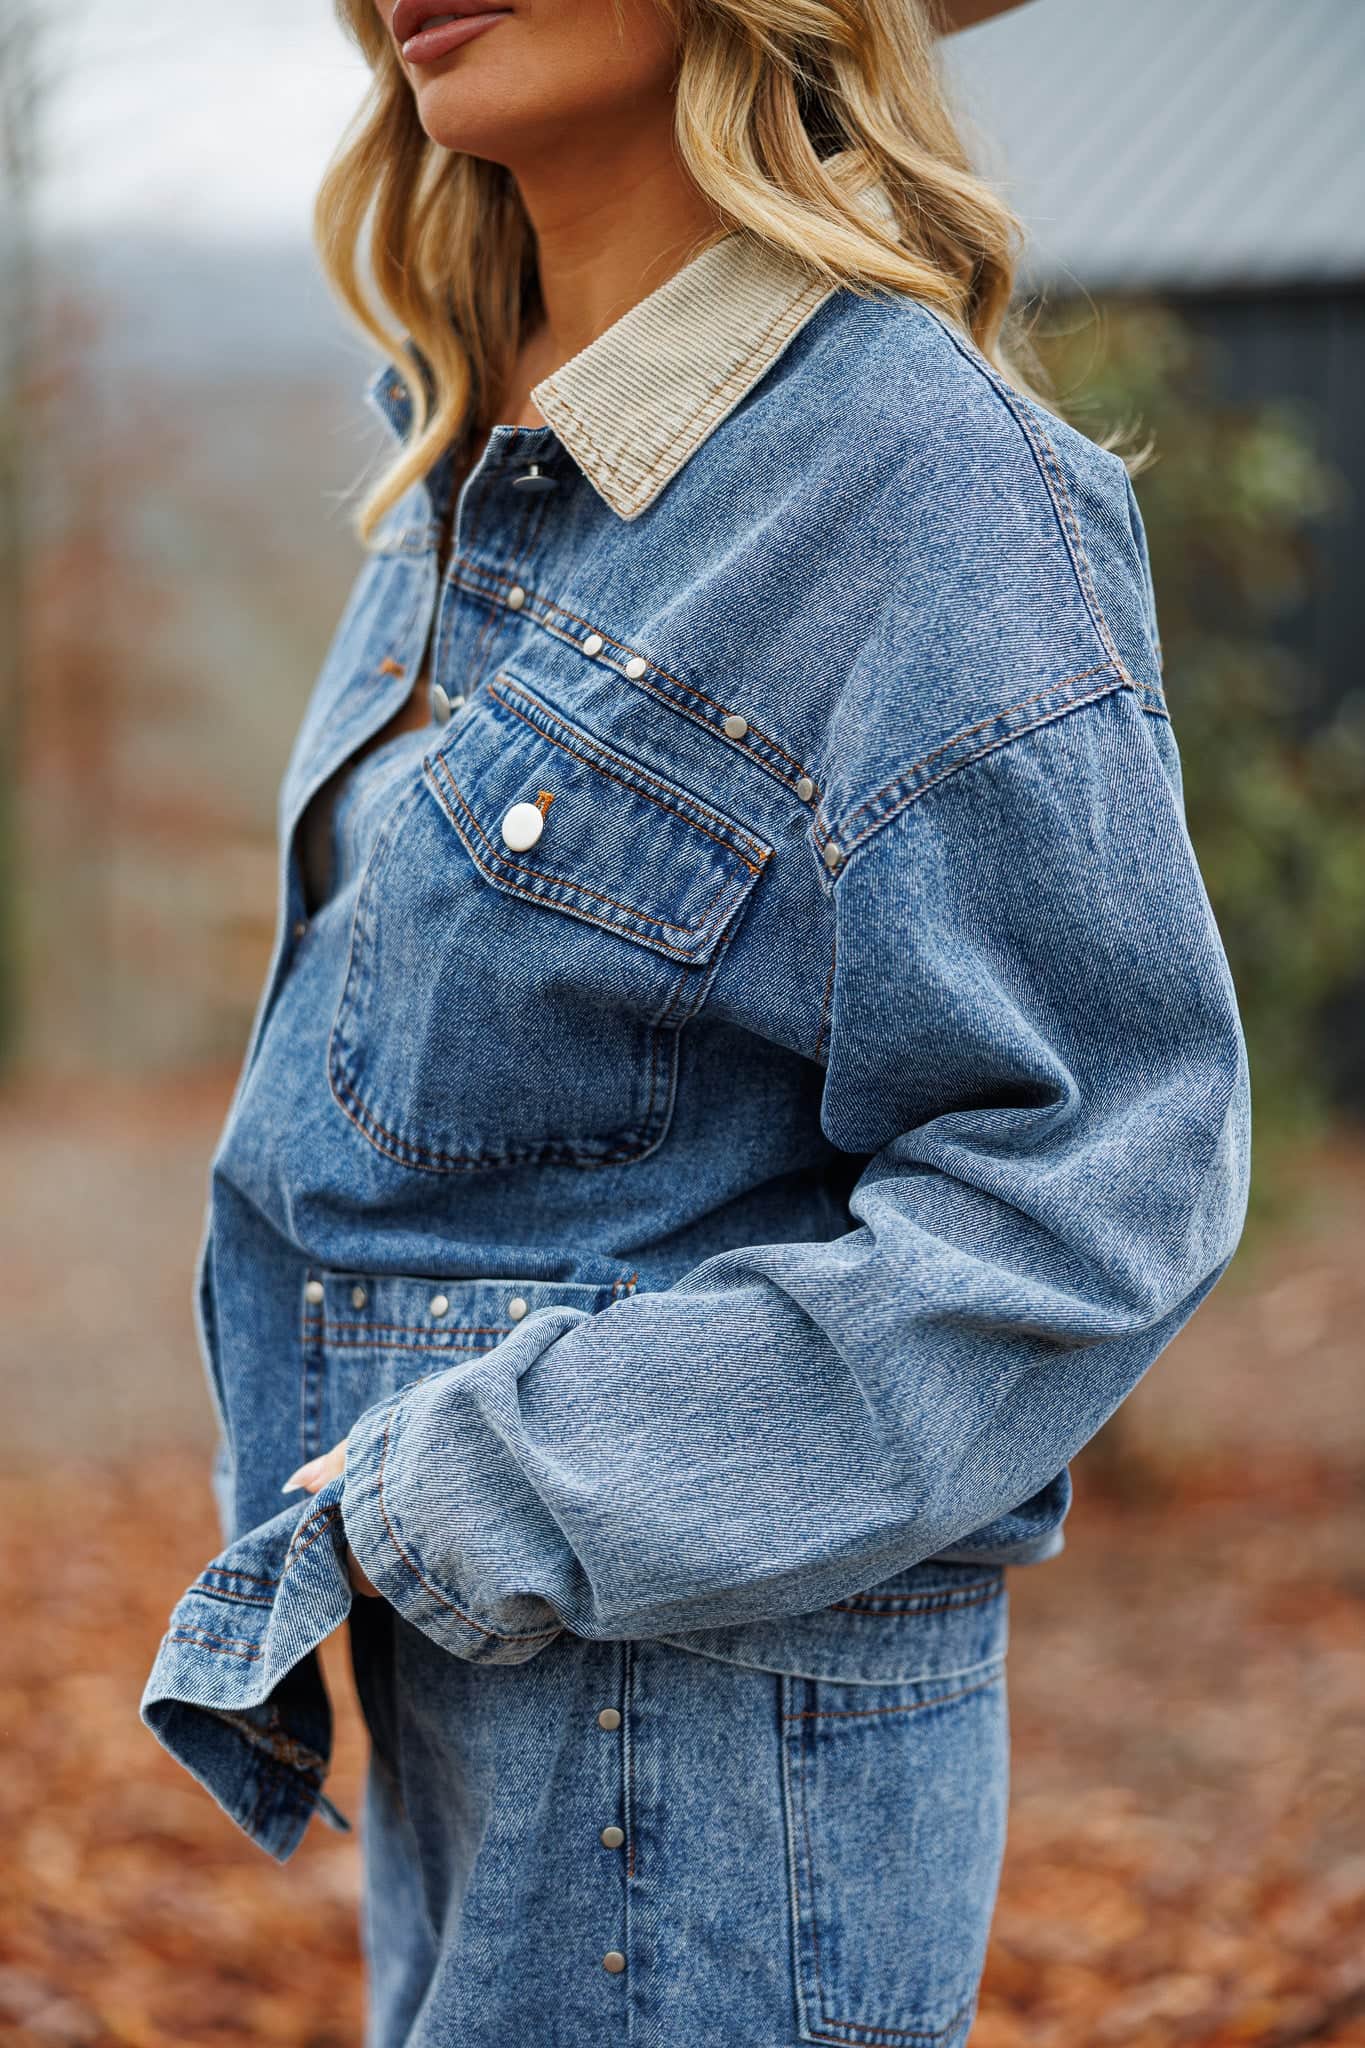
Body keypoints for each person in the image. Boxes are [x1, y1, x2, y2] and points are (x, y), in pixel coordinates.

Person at [140, 1, 1252, 2043]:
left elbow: (1084, 1194)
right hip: (491, 1737)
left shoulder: (918, 485)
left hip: (707, 1798)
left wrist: (472, 1490)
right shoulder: (480, 465)